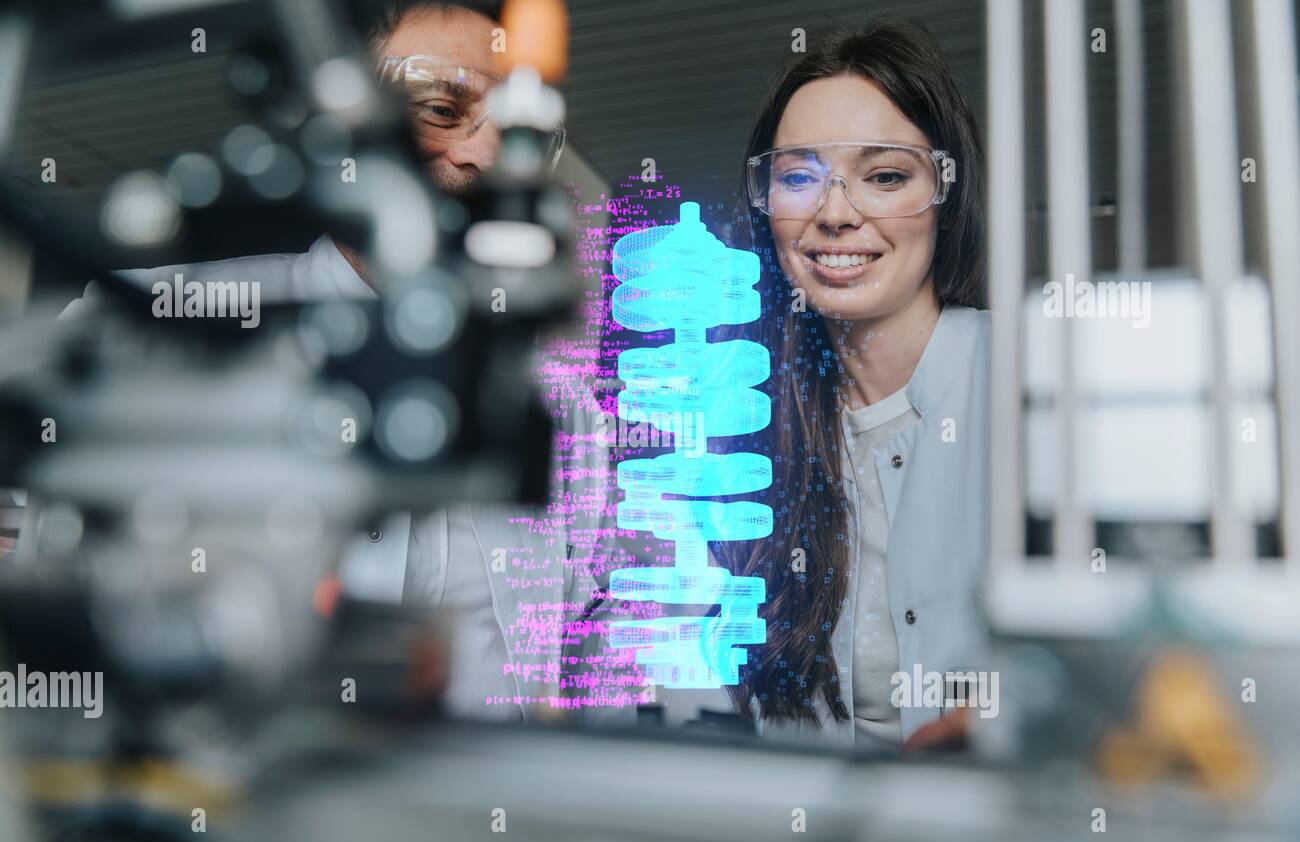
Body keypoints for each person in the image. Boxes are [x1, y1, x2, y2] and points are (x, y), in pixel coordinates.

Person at [58, 1, 599, 723]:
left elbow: (584, 641)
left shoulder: (565, 410)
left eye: (517, 132)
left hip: (484, 821)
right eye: (442, 107)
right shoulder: (167, 324)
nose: (484, 155)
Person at [587, 19, 991, 749]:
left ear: (947, 194)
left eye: (886, 176)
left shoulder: (1028, 394)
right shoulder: (736, 430)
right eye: (799, 177)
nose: (836, 213)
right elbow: (655, 688)